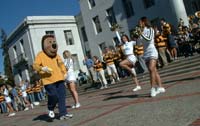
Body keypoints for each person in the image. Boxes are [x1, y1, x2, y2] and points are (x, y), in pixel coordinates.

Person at [33, 34, 72, 120]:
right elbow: (35, 65)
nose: (53, 44)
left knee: (62, 97)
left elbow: (61, 64)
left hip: (60, 78)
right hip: (48, 80)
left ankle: (63, 114)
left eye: (54, 42)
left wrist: (64, 72)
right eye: (50, 42)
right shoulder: (40, 55)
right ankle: (50, 108)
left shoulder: (57, 55)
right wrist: (41, 68)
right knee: (53, 96)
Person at [138, 17, 166, 97]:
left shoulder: (150, 29)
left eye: (140, 22)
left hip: (152, 51)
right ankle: (160, 87)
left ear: (144, 22)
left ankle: (152, 88)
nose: (139, 24)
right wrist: (137, 37)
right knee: (154, 70)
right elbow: (139, 44)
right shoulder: (141, 31)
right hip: (145, 53)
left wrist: (141, 34)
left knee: (150, 69)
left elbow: (149, 39)